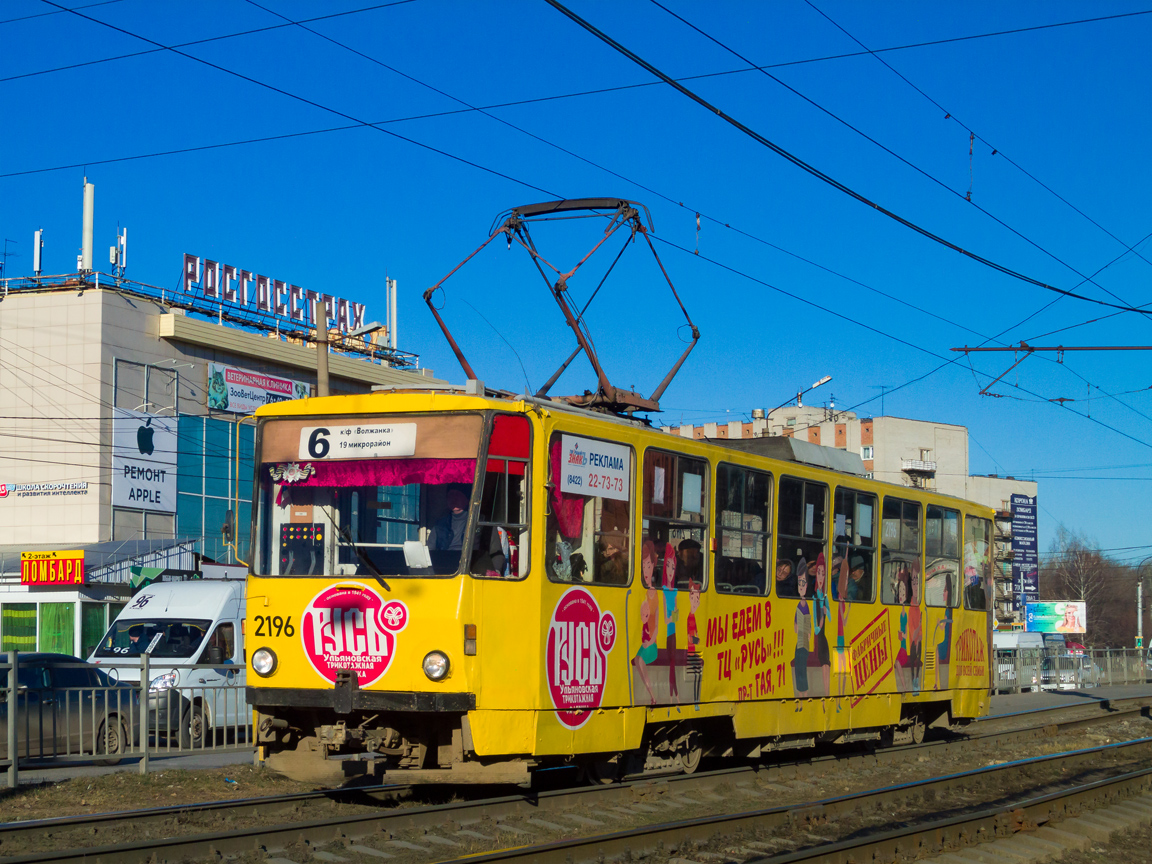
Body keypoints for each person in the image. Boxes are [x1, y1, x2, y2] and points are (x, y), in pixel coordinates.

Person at [632, 540, 659, 705]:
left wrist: (650, 642)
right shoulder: (644, 591)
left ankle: (652, 695)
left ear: (653, 565)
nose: (646, 570)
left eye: (649, 565)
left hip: (651, 643)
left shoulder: (654, 594)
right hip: (645, 640)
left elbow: (656, 625)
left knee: (639, 660)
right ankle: (650, 694)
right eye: (643, 566)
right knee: (636, 660)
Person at [662, 543, 680, 703]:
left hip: (673, 633)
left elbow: (676, 617)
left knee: (673, 664)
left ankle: (674, 694)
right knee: (671, 664)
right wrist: (673, 615)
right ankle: (672, 695)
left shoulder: (674, 592)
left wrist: (674, 615)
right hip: (668, 634)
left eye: (673, 567)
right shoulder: (663, 591)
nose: (670, 570)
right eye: (668, 566)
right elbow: (667, 619)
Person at [812, 553, 831, 698]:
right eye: (819, 572)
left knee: (826, 664)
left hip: (823, 636)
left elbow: (829, 616)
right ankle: (826, 694)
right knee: (824, 663)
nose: (820, 576)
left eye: (823, 574)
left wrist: (826, 611)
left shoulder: (824, 597)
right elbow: (815, 620)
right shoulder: (814, 597)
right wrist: (819, 625)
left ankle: (827, 694)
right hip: (818, 635)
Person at [792, 559, 811, 704]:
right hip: (801, 640)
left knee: (801, 668)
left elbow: (802, 625)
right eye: (799, 583)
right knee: (800, 668)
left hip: (802, 641)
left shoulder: (803, 605)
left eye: (803, 583)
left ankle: (803, 696)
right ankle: (801, 695)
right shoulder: (801, 604)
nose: (801, 586)